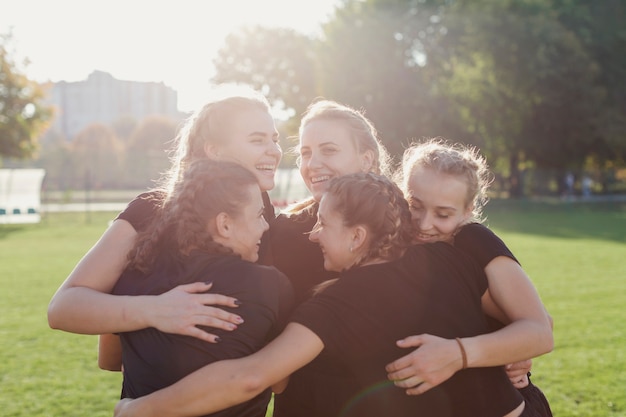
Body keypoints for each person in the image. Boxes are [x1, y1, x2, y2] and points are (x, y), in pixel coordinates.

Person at [113, 172, 529, 417]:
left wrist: (140, 410)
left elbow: (253, 377)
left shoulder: (340, 302)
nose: (312, 235)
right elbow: (516, 322)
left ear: (357, 236)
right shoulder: (447, 258)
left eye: (324, 224)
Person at [47, 85, 282, 344]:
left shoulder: (263, 212)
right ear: (214, 150)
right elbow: (63, 309)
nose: (274, 150)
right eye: (258, 140)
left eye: (275, 139)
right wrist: (155, 311)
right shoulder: (152, 209)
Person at [104, 159, 293, 417]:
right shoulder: (270, 285)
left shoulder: (134, 273)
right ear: (224, 224)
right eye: (259, 215)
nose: (266, 225)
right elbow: (279, 383)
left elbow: (109, 361)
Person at [386, 138, 553, 416]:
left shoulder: (473, 240)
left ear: (467, 211)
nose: (425, 223)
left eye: (443, 214)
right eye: (415, 205)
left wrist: (456, 354)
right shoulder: (398, 243)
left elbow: (541, 330)